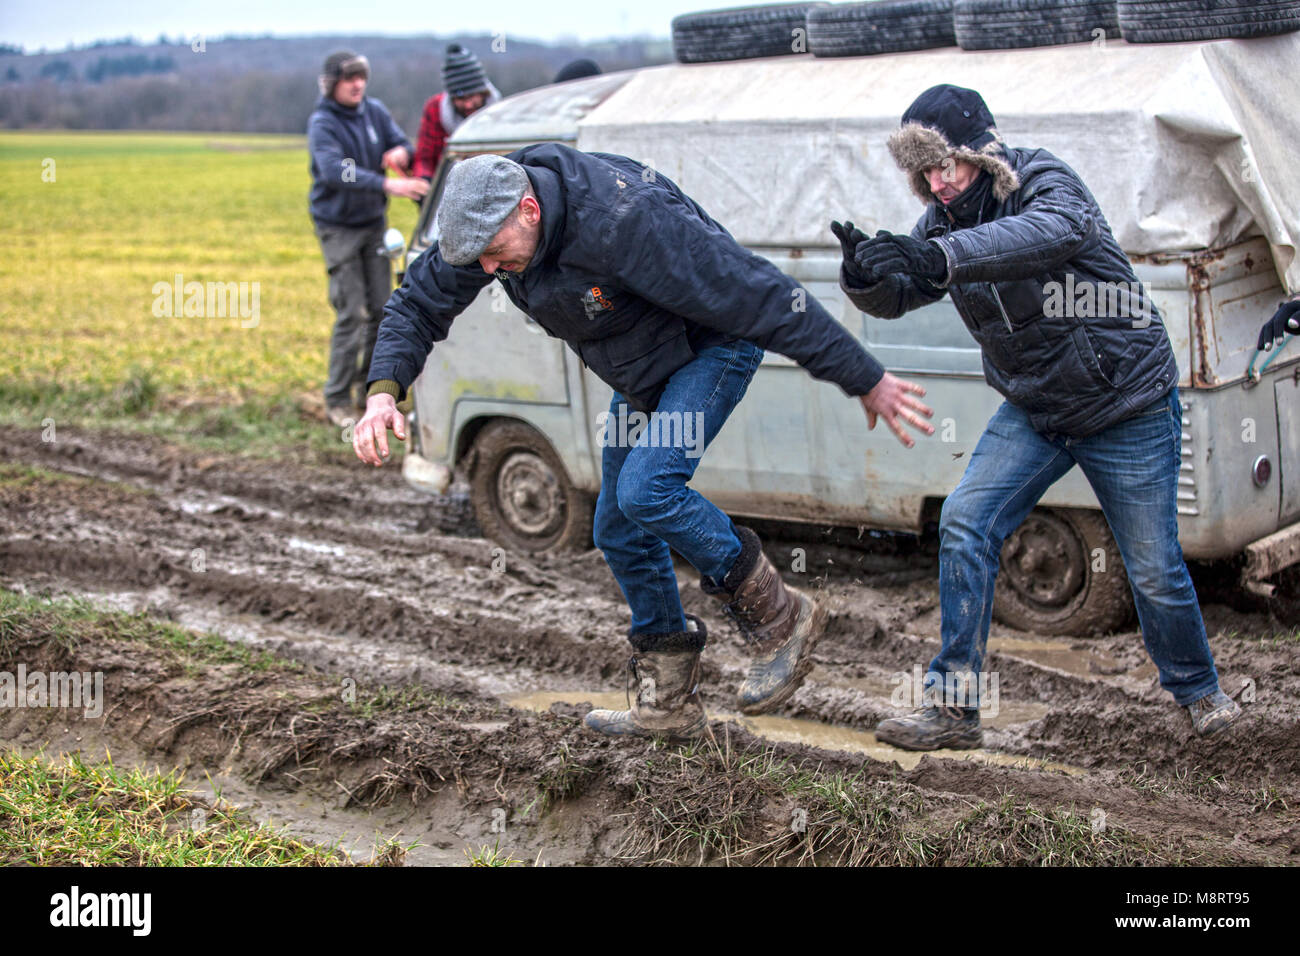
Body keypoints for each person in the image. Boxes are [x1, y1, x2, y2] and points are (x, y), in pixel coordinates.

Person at [354, 145, 934, 740]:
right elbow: (418, 303)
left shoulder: (625, 221)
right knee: (616, 526)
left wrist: (864, 378)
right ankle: (669, 705)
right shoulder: (486, 226)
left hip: (714, 347)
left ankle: (781, 615)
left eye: (496, 256)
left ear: (529, 210)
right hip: (643, 367)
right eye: (477, 260)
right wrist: (382, 393)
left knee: (646, 489)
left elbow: (762, 294)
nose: (487, 271)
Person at [838, 84, 1241, 749]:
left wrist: (938, 258)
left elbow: (1047, 235)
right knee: (966, 522)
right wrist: (867, 278)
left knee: (1152, 570)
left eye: (948, 164)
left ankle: (1201, 696)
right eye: (924, 171)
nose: (937, 183)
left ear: (983, 153)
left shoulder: (1043, 182)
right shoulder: (939, 226)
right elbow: (905, 288)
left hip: (1124, 402)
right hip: (1036, 408)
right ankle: (953, 710)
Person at [308, 50, 428, 426]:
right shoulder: (323, 122)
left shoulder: (374, 112)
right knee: (352, 313)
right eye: (349, 78)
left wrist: (402, 150)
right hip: (339, 228)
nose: (358, 84)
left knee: (382, 310)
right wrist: (388, 183)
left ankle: (371, 394)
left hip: (373, 225)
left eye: (362, 77)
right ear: (332, 84)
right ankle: (337, 399)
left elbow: (404, 145)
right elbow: (334, 171)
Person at [412, 44, 501, 181]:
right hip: (447, 187)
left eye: (472, 96)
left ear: (483, 92)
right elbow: (425, 158)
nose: (468, 104)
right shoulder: (435, 109)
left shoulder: (501, 112)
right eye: (461, 98)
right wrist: (424, 181)